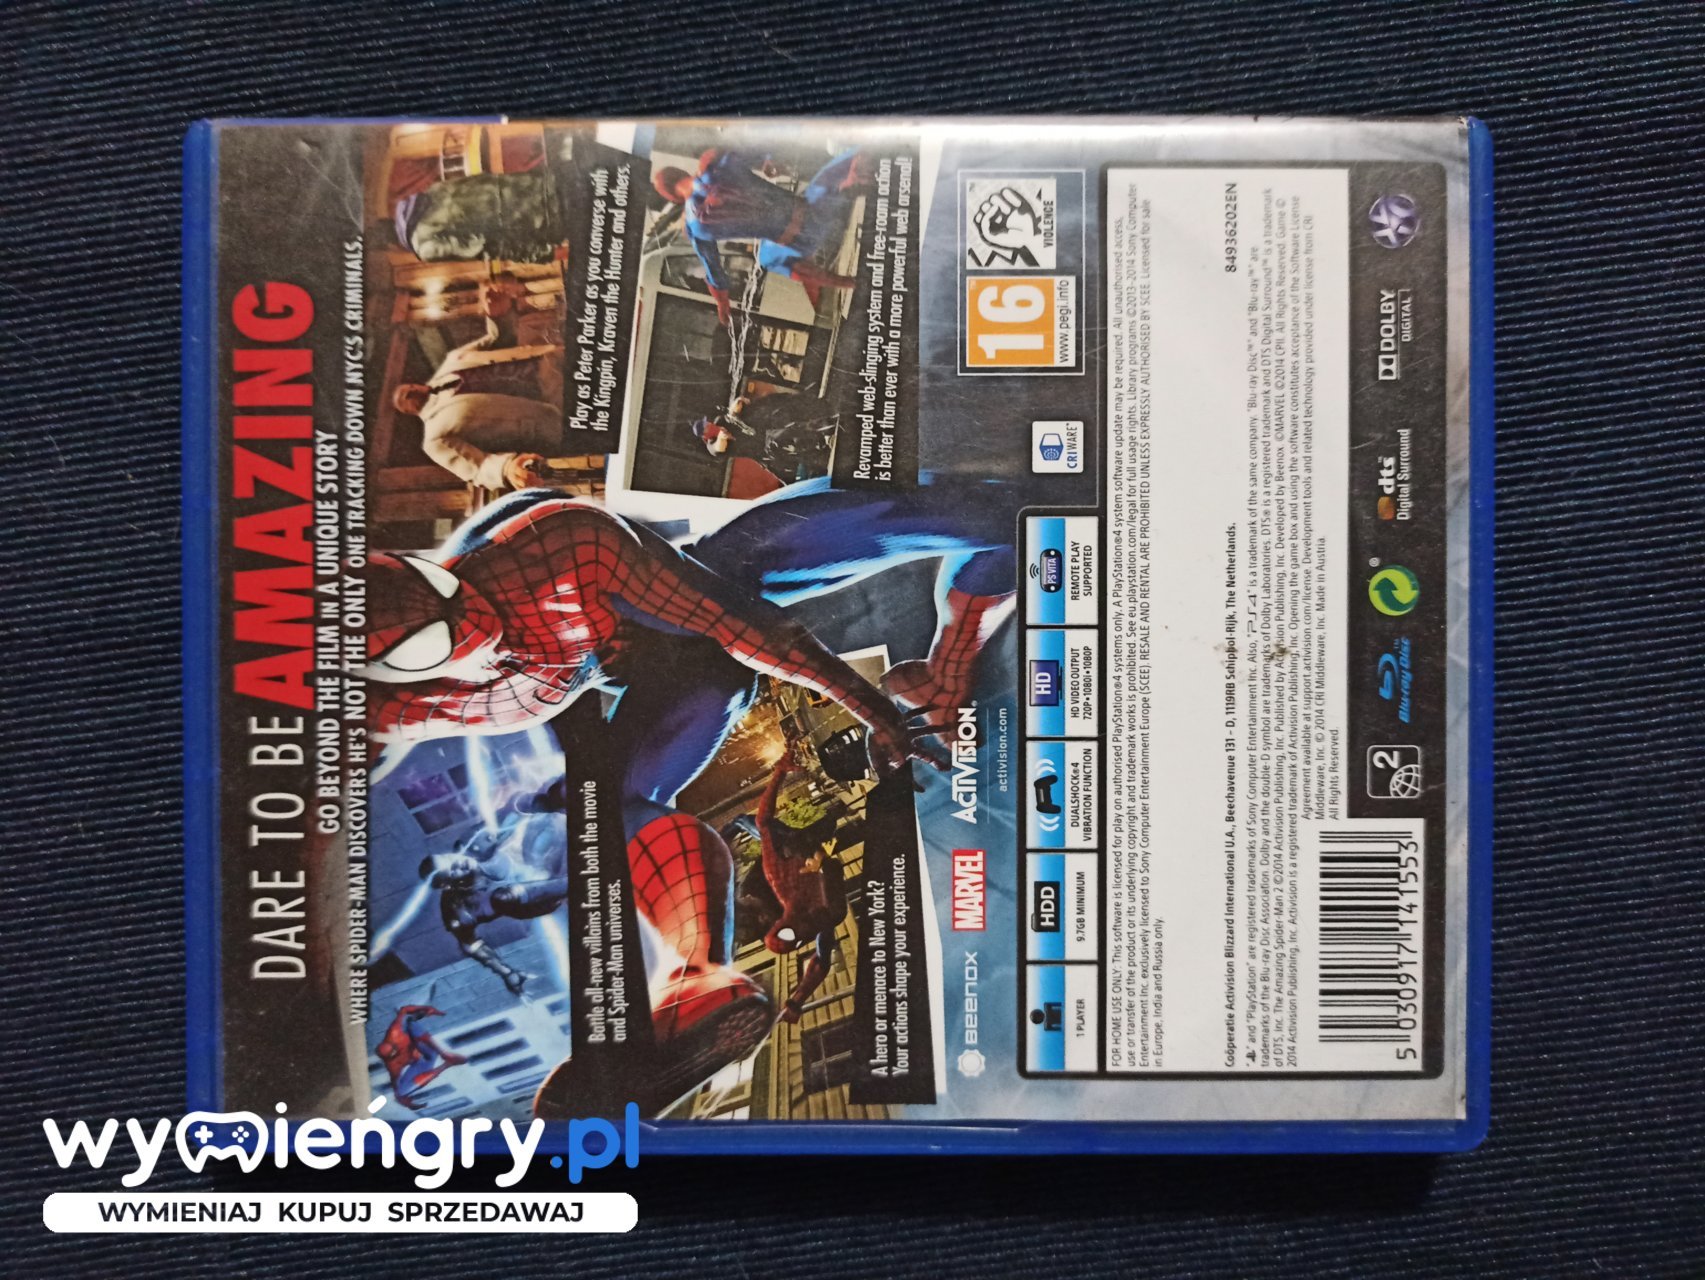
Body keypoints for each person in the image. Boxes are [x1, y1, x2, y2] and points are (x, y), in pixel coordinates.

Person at [358, 478, 1016, 1106]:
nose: (489, 634)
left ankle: (950, 659)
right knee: (606, 815)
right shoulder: (380, 708)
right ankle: (698, 981)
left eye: (457, 600)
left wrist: (881, 705)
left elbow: (742, 626)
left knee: (985, 517)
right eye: (445, 642)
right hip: (655, 678)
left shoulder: (549, 550)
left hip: (697, 584)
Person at [651, 149, 870, 324]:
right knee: (855, 153)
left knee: (766, 258)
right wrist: (768, 160)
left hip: (803, 240)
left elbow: (715, 274)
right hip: (814, 207)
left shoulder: (694, 230)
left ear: (673, 198)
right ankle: (846, 183)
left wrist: (722, 303)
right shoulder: (716, 164)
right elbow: (758, 149)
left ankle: (849, 282)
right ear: (681, 171)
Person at [391, 292, 564, 490]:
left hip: (556, 363)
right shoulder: (434, 437)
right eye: (404, 399)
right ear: (408, 412)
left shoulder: (453, 360)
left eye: (407, 388)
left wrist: (498, 316)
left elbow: (497, 339)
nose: (410, 392)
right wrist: (507, 468)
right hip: (552, 413)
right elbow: (478, 467)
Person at [752, 747, 849, 1023]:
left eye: (790, 933)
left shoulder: (780, 879)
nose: (802, 931)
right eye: (796, 940)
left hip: (804, 842)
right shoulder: (825, 916)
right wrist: (796, 1000)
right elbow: (822, 960)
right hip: (821, 848)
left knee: (767, 828)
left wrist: (780, 772)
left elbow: (764, 822)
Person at [691, 393, 838, 478]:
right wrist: (721, 437)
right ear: (705, 435)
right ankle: (821, 446)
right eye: (706, 427)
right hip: (763, 451)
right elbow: (719, 448)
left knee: (786, 423)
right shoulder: (711, 445)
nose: (710, 424)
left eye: (707, 422)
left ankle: (824, 426)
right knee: (779, 439)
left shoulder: (719, 420)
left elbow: (732, 413)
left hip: (763, 432)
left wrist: (738, 402)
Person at [374, 1006, 468, 1110]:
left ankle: (412, 1022)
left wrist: (442, 1052)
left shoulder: (394, 1033)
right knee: (401, 1092)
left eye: (394, 1050)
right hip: (418, 1060)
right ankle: (446, 1064)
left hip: (416, 1044)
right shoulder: (393, 1065)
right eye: (392, 1055)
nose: (395, 1053)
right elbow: (395, 1080)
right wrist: (399, 1096)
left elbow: (403, 1010)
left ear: (392, 1045)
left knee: (416, 1032)